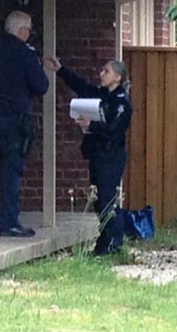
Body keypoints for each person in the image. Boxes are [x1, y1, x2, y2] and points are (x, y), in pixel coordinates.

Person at [0, 11, 49, 237]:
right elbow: (41, 85)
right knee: (11, 170)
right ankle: (8, 221)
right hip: (14, 120)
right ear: (22, 31)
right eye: (29, 31)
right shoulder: (25, 54)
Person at [43, 57, 132, 255]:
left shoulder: (121, 103)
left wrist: (92, 125)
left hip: (111, 156)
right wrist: (61, 70)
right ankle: (106, 239)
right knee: (99, 199)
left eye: (106, 71)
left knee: (107, 199)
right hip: (97, 153)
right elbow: (82, 87)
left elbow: (114, 130)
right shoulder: (102, 95)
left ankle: (112, 243)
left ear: (117, 77)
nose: (101, 74)